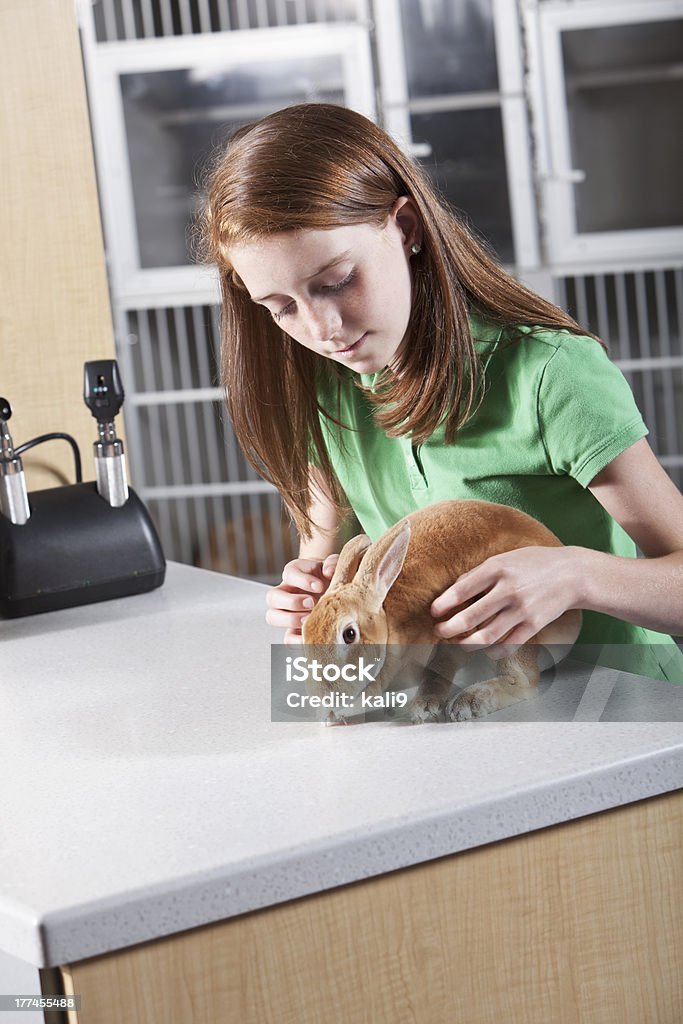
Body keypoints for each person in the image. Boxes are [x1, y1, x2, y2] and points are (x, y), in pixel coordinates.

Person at [199, 102, 683, 684]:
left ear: (405, 229)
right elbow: (322, 558)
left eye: (336, 283)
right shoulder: (326, 391)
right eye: (280, 307)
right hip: (457, 714)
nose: (321, 330)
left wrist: (577, 576)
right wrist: (307, 600)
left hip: (620, 707)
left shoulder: (550, 375)